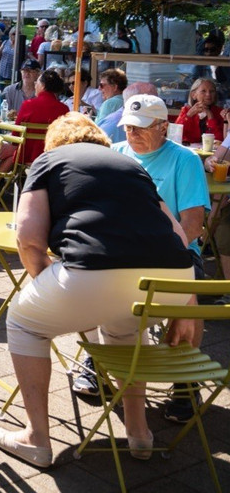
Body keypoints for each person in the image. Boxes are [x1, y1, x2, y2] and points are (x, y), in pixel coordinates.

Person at [0, 113, 196, 470]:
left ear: (55, 143)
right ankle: (139, 432)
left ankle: (36, 438)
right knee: (125, 329)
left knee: (24, 323)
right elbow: (178, 237)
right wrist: (185, 306)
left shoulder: (49, 161)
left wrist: (47, 284)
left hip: (93, 272)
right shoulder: (132, 167)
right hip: (170, 282)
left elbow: (28, 237)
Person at [105, 94, 211, 421]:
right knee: (85, 279)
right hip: (123, 252)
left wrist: (160, 255)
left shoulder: (184, 160)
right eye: (128, 127)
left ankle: (185, 382)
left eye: (141, 127)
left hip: (174, 251)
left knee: (187, 295)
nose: (132, 133)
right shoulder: (115, 154)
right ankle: (97, 364)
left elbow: (193, 226)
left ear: (163, 127)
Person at [175, 77, 225, 145]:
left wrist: (211, 118)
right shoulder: (186, 110)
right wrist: (188, 115)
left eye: (212, 91)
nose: (208, 94)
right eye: (203, 91)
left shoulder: (220, 112)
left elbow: (220, 140)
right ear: (194, 95)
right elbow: (175, 135)